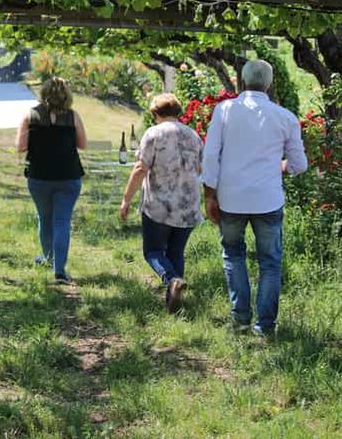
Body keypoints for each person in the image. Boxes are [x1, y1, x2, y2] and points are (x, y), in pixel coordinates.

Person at [202, 59, 308, 336]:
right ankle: (265, 326)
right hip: (267, 200)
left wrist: (209, 195)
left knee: (233, 255)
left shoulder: (224, 111)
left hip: (231, 199)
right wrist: (279, 165)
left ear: (242, 81)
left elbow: (211, 155)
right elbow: (299, 165)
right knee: (270, 262)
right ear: (270, 84)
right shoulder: (285, 117)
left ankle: (240, 319)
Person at [120, 94, 204, 313]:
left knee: (153, 251)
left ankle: (172, 280)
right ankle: (174, 303)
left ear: (155, 114)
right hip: (188, 205)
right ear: (178, 112)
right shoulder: (194, 136)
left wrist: (126, 199)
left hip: (159, 206)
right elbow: (202, 169)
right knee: (176, 252)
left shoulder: (153, 133)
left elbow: (140, 169)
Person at [16, 77, 87, 284]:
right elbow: (82, 144)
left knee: (44, 218)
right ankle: (59, 270)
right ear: (67, 94)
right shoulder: (73, 116)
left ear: (43, 92)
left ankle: (48, 259)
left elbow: (20, 147)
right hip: (68, 176)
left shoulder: (30, 115)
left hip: (39, 176)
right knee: (62, 221)